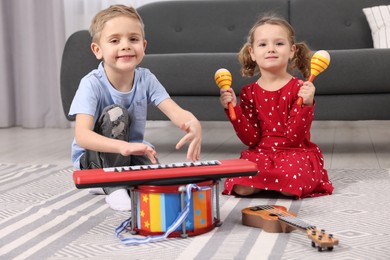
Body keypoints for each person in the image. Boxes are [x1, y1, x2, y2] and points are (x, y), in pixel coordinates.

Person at [69, 5, 202, 211]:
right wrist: (122, 147)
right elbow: (82, 136)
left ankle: (107, 181)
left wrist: (193, 123)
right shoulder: (91, 84)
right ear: (98, 50)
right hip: (92, 159)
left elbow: (175, 112)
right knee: (116, 113)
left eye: (133, 39)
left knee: (155, 172)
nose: (126, 46)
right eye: (115, 40)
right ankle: (112, 186)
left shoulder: (146, 78)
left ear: (143, 45)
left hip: (130, 150)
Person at [219, 15, 333, 198]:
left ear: (292, 51)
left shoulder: (300, 89)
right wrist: (233, 108)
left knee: (292, 181)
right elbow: (250, 139)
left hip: (295, 153)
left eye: (279, 44)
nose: (271, 49)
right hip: (261, 154)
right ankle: (272, 182)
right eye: (262, 45)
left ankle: (270, 183)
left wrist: (307, 104)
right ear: (252, 53)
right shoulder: (248, 92)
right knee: (239, 184)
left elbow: (294, 138)